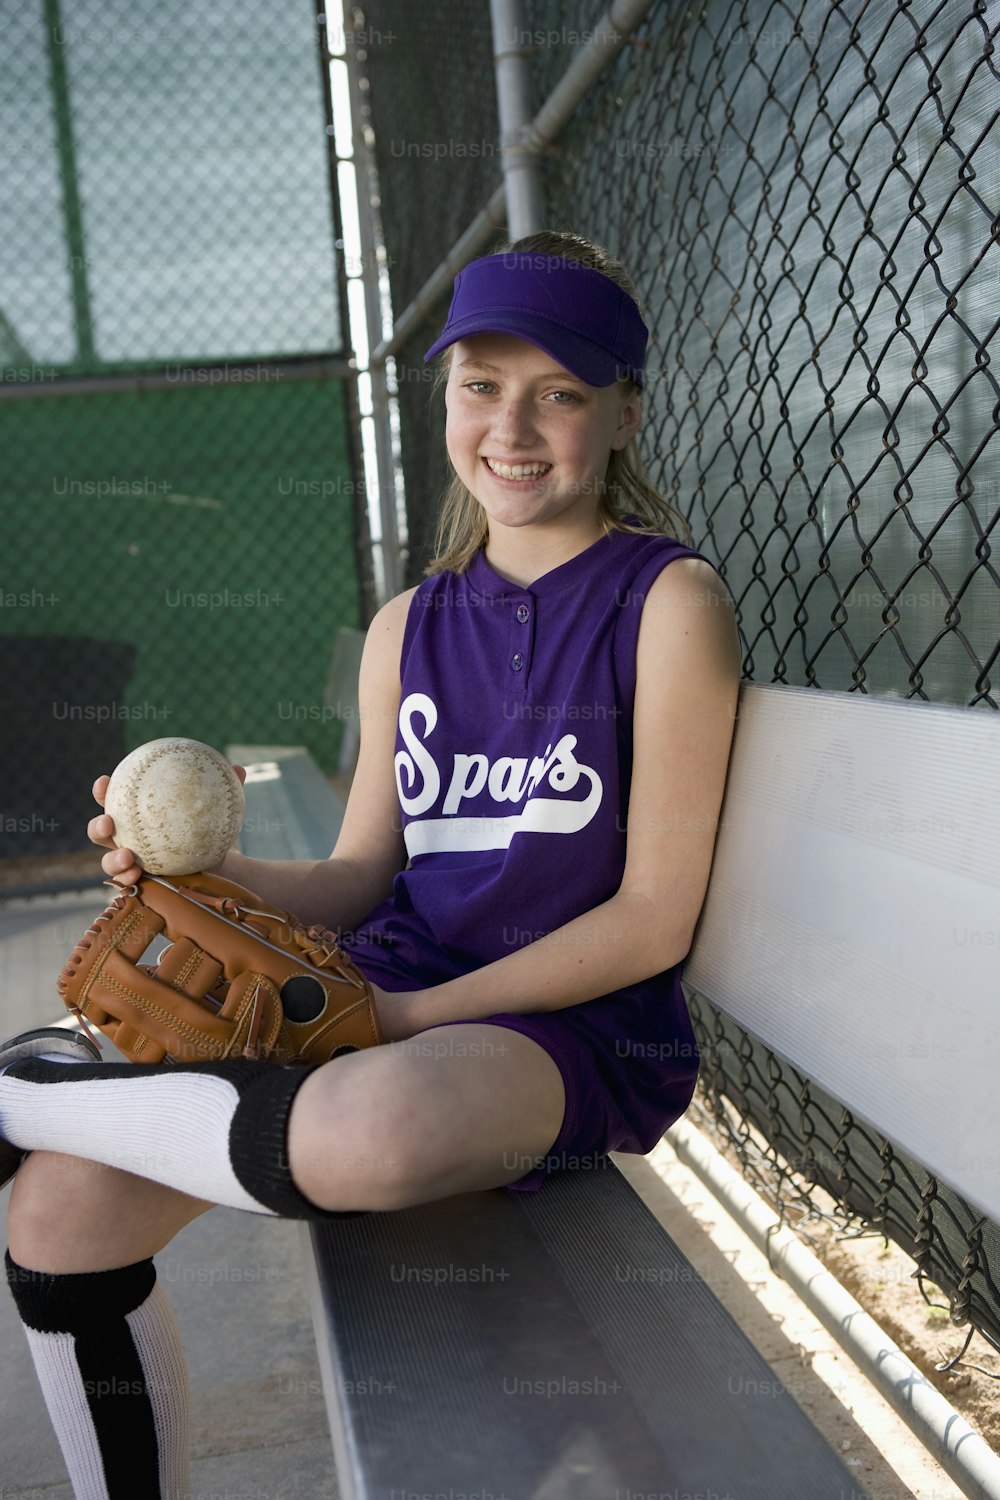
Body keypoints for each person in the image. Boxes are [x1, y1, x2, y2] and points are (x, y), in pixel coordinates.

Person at [0, 229, 741, 1498]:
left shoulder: (664, 602)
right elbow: (355, 879)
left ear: (623, 412)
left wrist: (401, 1014)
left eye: (559, 390)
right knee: (58, 1209)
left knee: (379, 1125)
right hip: (379, 982)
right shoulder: (412, 624)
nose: (511, 424)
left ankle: (21, 1089)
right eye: (478, 385)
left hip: (557, 1030)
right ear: (444, 396)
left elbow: (653, 919)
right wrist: (198, 881)